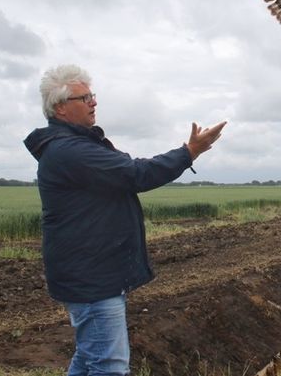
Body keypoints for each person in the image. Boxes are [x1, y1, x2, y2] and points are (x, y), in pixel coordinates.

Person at [23, 64, 226, 376]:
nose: (93, 102)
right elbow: (136, 174)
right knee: (109, 366)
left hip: (92, 271)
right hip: (91, 277)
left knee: (89, 358)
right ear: (60, 108)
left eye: (92, 95)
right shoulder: (71, 151)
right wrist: (190, 152)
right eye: (84, 98)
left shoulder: (77, 145)